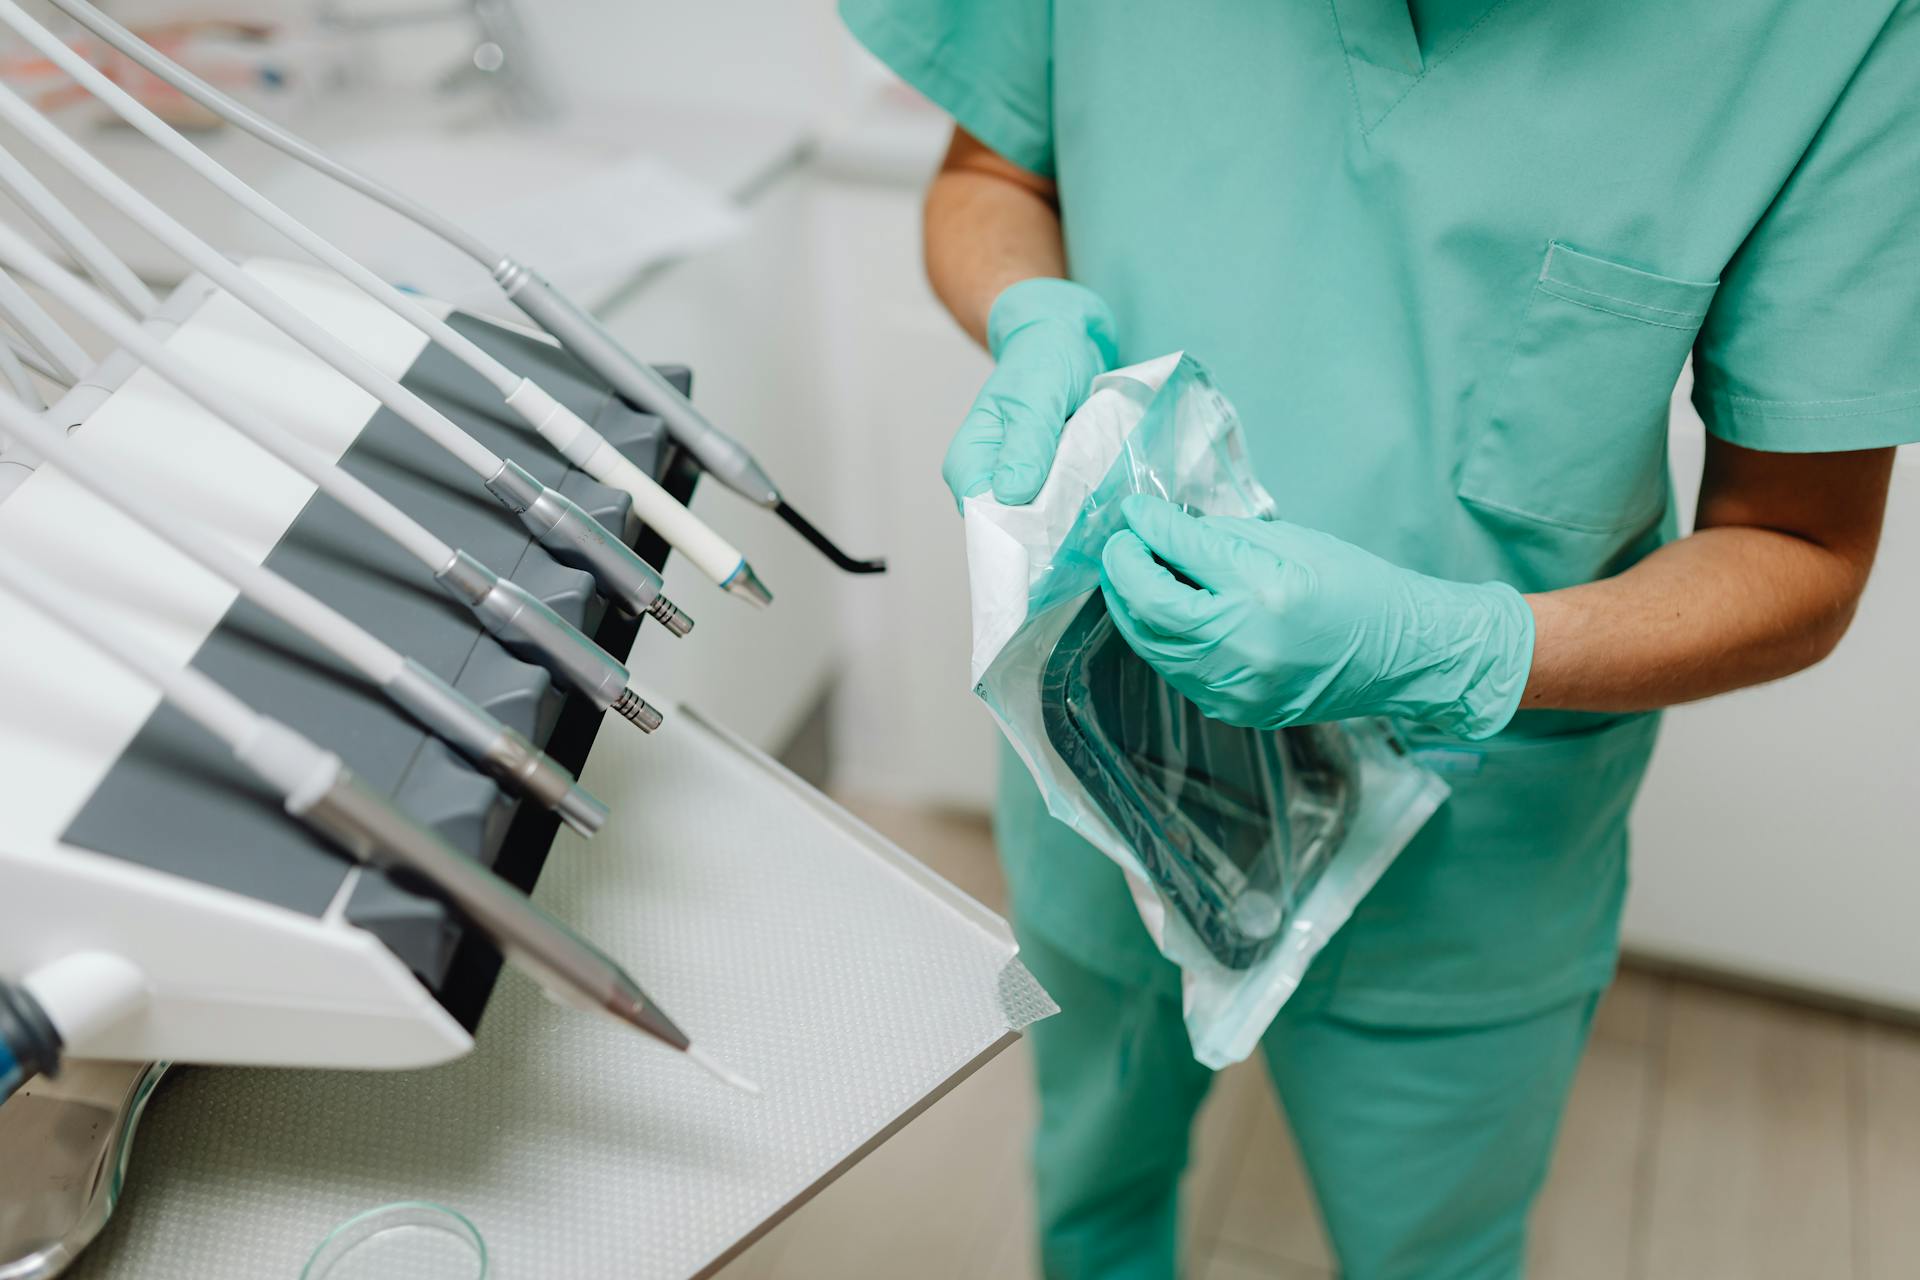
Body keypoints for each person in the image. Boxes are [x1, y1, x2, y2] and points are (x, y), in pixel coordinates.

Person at [840, 2, 1920, 1276]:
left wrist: (1455, 647)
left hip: (1468, 872)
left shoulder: (1833, 33)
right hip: (1101, 767)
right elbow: (991, 173)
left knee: (1433, 1252)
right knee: (1090, 1192)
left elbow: (1803, 549)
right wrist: (1033, 314)